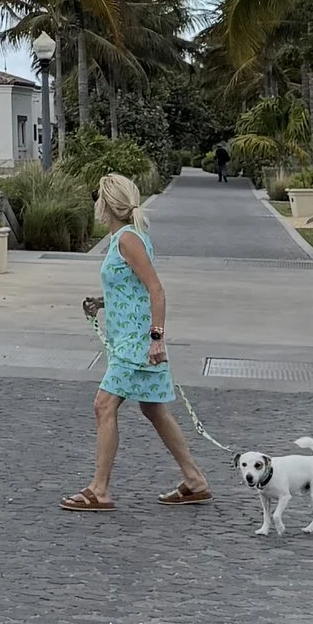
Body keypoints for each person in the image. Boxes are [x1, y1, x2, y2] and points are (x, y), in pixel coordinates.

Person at [62, 172, 211, 512]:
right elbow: (133, 287)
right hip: (131, 339)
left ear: (106, 204)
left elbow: (156, 289)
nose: (96, 205)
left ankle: (99, 490)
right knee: (153, 408)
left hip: (137, 343)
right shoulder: (124, 238)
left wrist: (156, 338)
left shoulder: (128, 239)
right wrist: (102, 302)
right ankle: (195, 480)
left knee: (103, 405)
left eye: (98, 199)